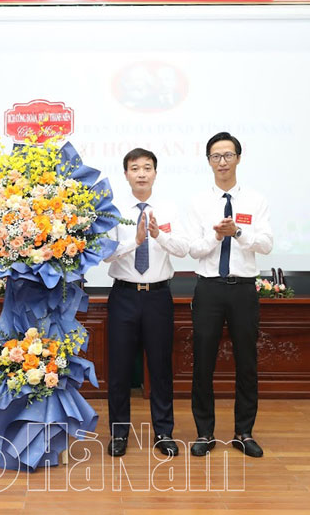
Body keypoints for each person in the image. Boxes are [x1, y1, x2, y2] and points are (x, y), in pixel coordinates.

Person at [186, 132, 273, 459]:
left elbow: (266, 244)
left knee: (247, 362)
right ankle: (204, 433)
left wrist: (237, 232)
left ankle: (243, 432)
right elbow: (194, 249)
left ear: (238, 157)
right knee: (203, 363)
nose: (222, 161)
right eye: (215, 156)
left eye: (227, 155)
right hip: (209, 288)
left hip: (243, 289)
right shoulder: (198, 202)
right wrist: (216, 236)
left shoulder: (255, 200)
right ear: (209, 161)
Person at [104, 148, 189, 458]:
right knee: (119, 369)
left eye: (147, 167)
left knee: (161, 367)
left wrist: (159, 236)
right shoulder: (112, 209)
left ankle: (164, 432)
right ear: (126, 174)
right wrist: (136, 241)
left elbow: (183, 248)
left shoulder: (169, 208)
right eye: (135, 168)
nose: (141, 173)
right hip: (124, 295)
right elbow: (106, 253)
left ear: (155, 172)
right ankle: (118, 433)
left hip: (158, 296)